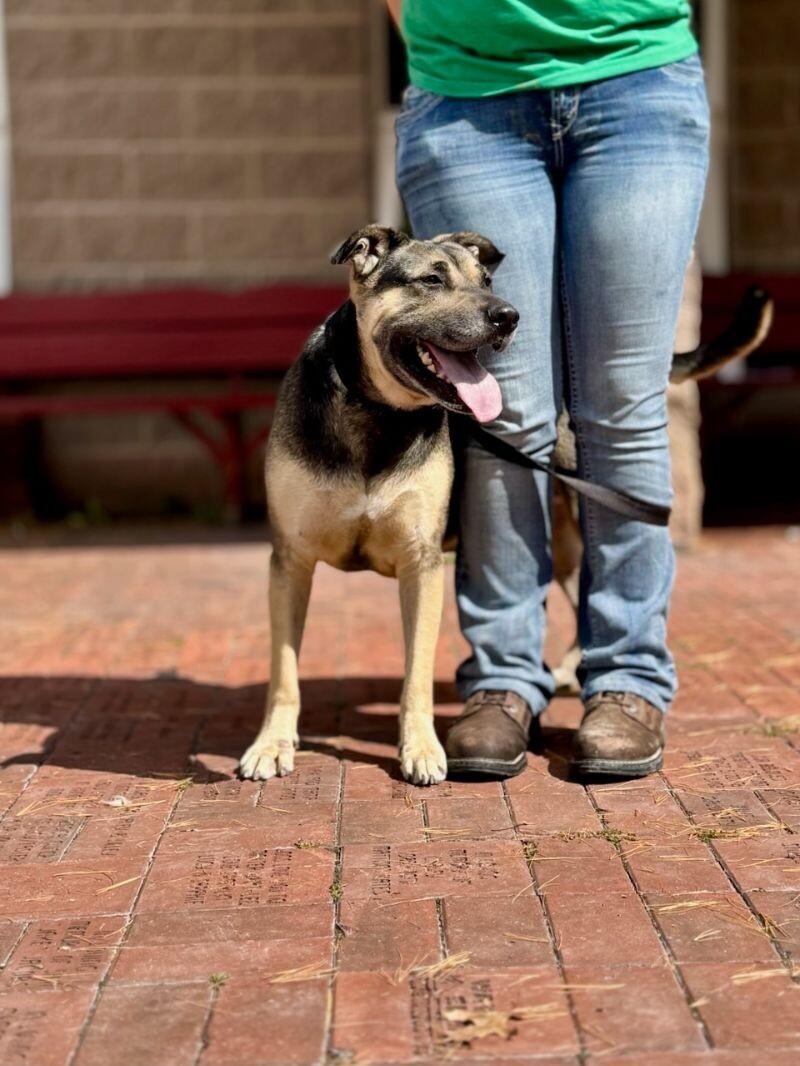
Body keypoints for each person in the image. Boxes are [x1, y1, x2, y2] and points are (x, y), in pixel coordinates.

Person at [388, 0, 710, 778]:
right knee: (504, 413)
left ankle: (628, 677)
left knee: (624, 405)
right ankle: (502, 678)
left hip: (637, 84)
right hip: (466, 98)